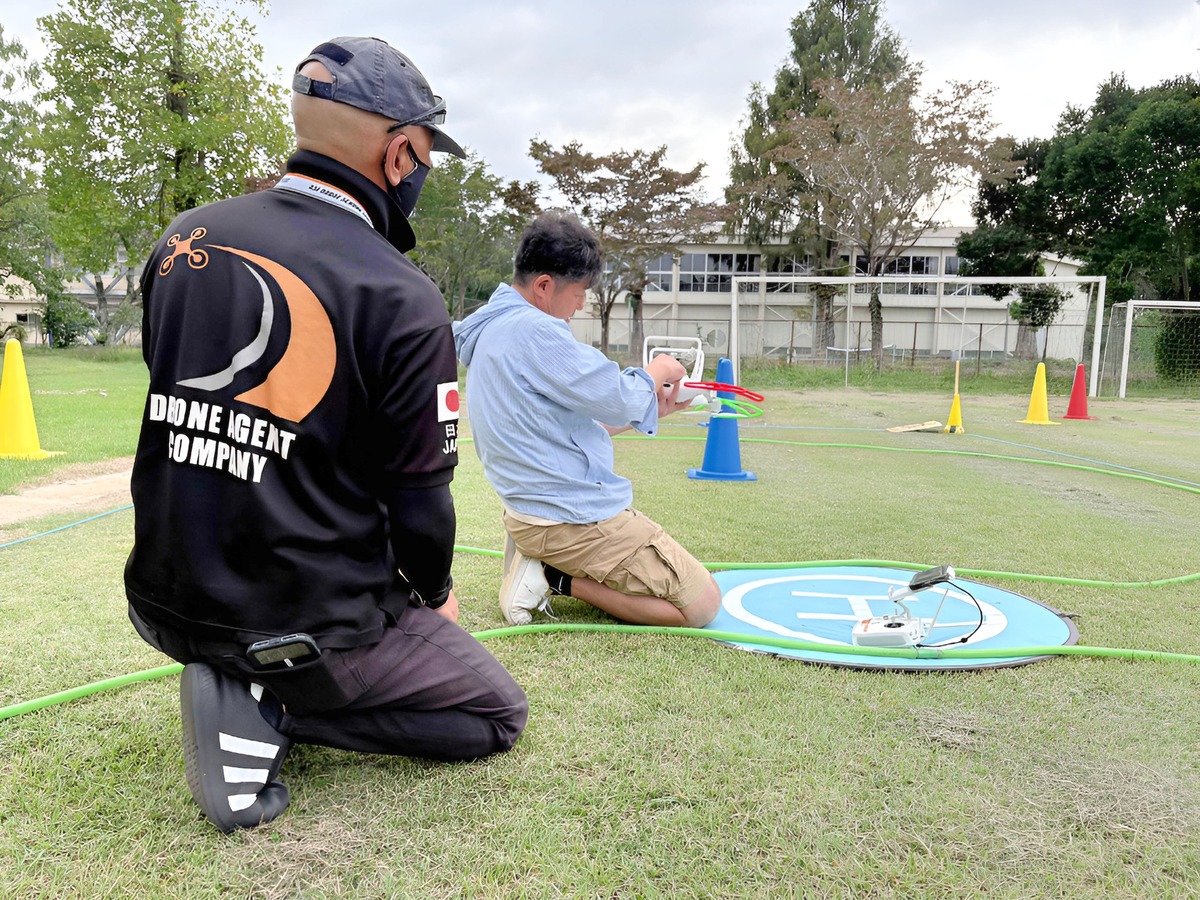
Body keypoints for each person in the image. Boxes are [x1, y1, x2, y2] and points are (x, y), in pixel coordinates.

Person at [124, 36, 528, 834]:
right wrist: (436, 595)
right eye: (426, 154)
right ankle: (272, 699)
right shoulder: (397, 292)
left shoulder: (182, 240)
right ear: (401, 152)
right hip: (302, 617)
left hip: (166, 599)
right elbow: (420, 505)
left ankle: (242, 672)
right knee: (495, 713)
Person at [453, 212, 722, 629]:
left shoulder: (494, 327)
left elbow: (567, 426)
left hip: (529, 512)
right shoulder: (535, 331)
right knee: (702, 605)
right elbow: (616, 395)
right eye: (579, 293)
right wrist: (656, 371)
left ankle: (545, 566)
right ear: (544, 286)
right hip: (569, 520)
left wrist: (652, 409)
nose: (580, 304)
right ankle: (550, 576)